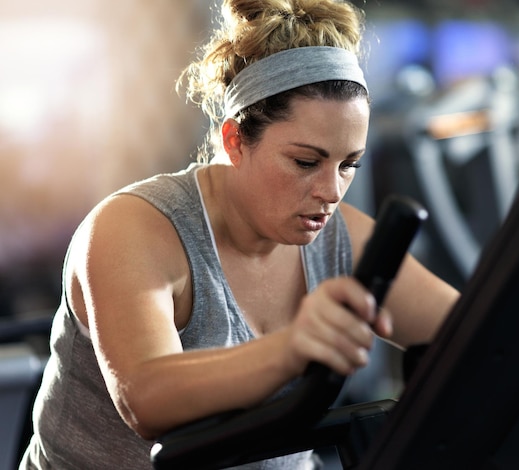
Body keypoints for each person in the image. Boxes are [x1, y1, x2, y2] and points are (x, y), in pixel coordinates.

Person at [20, 0, 459, 468]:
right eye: (306, 163)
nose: (332, 192)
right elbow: (146, 399)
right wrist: (291, 349)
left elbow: (476, 331)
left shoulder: (341, 239)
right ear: (234, 141)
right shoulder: (134, 229)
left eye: (349, 164)